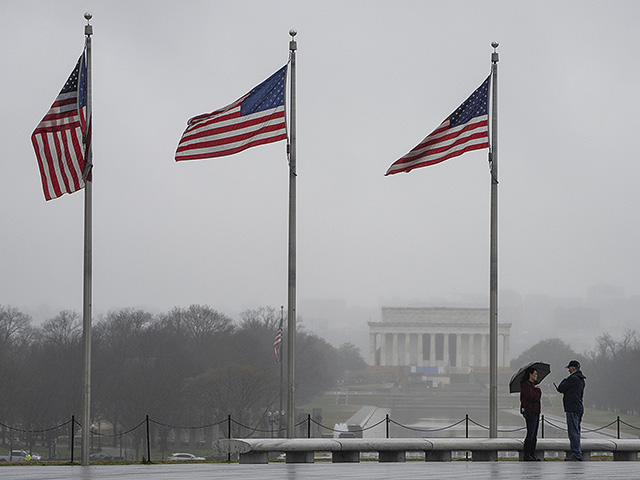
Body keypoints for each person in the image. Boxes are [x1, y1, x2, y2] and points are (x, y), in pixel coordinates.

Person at [556, 360, 586, 461]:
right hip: (578, 408)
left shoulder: (573, 378)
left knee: (573, 432)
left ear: (573, 368)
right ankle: (576, 453)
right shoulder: (581, 379)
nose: (568, 370)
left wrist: (565, 379)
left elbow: (560, 388)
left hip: (572, 408)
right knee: (576, 432)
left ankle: (576, 455)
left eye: (569, 368)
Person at [520, 367, 542, 461]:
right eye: (535, 374)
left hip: (535, 411)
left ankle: (532, 454)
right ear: (530, 374)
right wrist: (538, 390)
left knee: (534, 434)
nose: (536, 376)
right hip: (530, 411)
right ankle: (527, 454)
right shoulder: (526, 385)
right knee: (530, 433)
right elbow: (532, 397)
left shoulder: (532, 385)